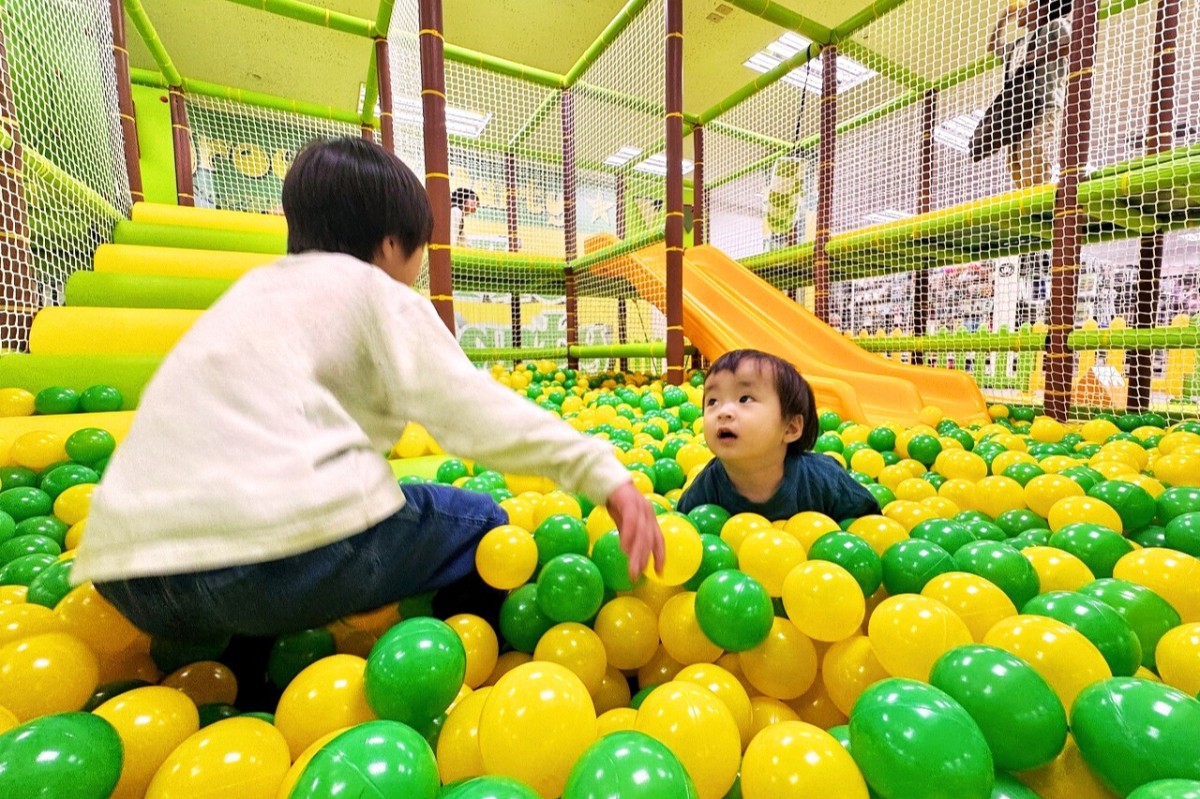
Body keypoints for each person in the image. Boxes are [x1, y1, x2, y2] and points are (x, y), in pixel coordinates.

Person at [71, 137, 664, 647]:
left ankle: (245, 672)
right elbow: (474, 413)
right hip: (260, 574)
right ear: (388, 245)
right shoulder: (378, 296)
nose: (419, 270)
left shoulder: (250, 296)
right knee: (481, 518)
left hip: (132, 578)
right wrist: (602, 473)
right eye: (418, 252)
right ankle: (470, 657)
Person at [676, 350, 880, 522]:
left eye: (744, 398)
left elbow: (868, 523)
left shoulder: (825, 481)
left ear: (790, 428)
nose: (723, 412)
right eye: (713, 401)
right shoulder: (704, 491)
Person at [988, 0, 1073, 189]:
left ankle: (1042, 196)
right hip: (1018, 109)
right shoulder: (1020, 43)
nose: (1023, 8)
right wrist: (1004, 17)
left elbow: (1071, 43)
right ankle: (1028, 199)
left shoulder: (1055, 25)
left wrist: (1037, 56)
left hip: (1043, 103)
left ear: (1043, 8)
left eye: (1029, 4)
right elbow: (993, 47)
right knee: (1014, 161)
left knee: (1031, 154)